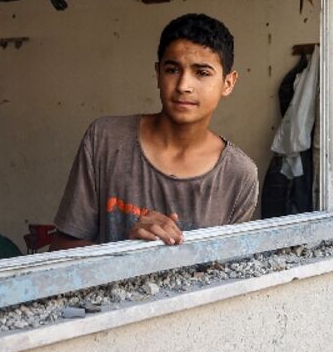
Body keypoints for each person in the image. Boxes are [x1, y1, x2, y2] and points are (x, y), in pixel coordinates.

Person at [51, 13, 259, 249]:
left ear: (228, 83)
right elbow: (60, 249)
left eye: (202, 73)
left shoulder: (239, 175)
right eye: (172, 70)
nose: (183, 86)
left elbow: (228, 270)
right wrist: (129, 250)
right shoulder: (105, 139)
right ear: (158, 73)